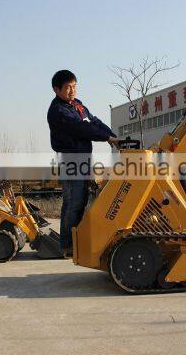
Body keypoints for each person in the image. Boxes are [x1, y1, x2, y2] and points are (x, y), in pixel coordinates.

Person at [47, 70, 120, 257]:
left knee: (82, 200)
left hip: (84, 160)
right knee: (73, 201)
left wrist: (111, 136)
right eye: (68, 87)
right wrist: (106, 138)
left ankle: (76, 241)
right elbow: (82, 128)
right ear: (56, 89)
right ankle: (67, 245)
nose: (72, 90)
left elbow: (93, 121)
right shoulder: (58, 110)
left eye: (74, 86)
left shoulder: (78, 106)